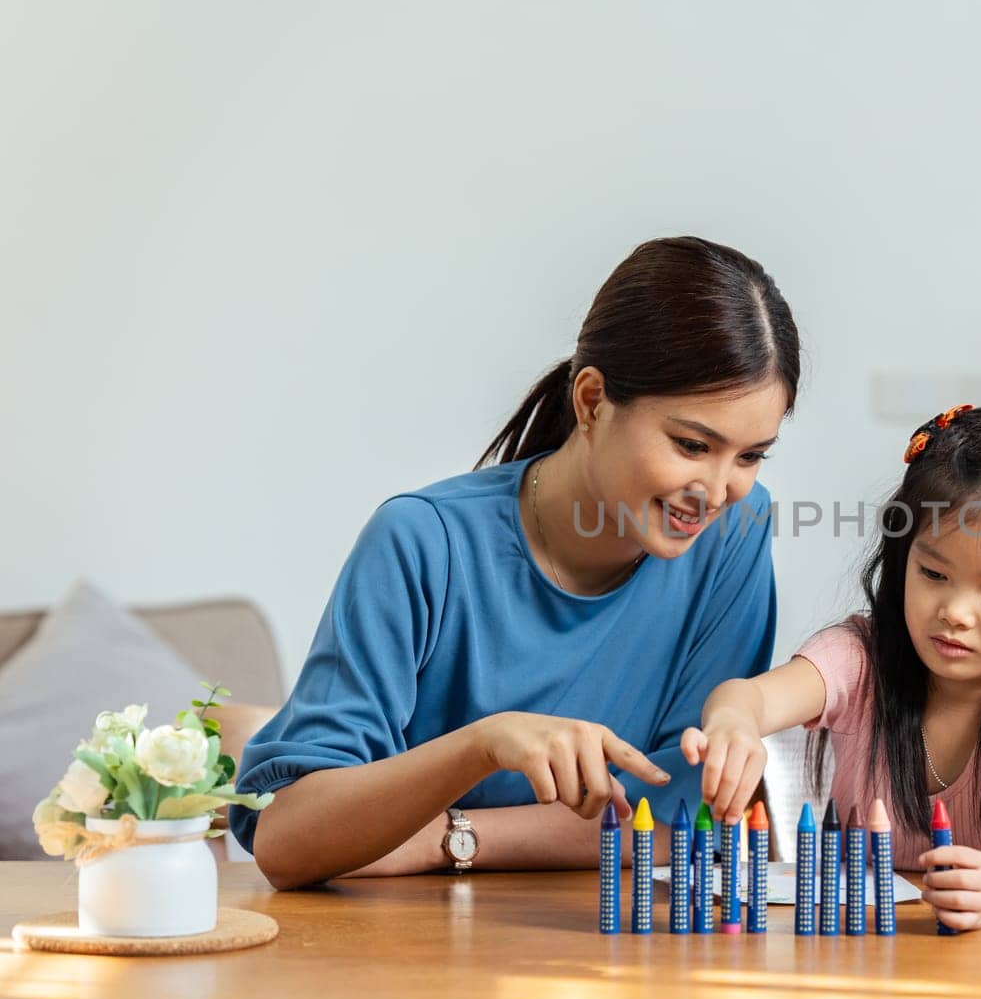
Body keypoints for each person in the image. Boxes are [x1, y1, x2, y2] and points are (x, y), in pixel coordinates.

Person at [232, 236, 801, 890]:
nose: (718, 487)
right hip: (392, 957)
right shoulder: (423, 543)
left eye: (752, 456)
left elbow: (683, 813)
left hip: (603, 950)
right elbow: (288, 838)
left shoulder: (735, 534)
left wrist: (451, 836)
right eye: (692, 443)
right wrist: (485, 742)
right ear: (591, 402)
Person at [683, 404, 981, 930]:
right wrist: (734, 722)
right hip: (858, 947)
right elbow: (754, 696)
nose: (955, 611)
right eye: (932, 572)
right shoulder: (861, 656)